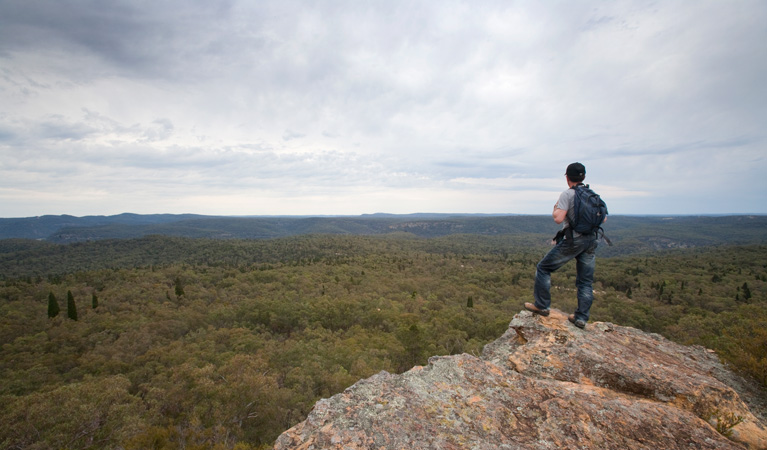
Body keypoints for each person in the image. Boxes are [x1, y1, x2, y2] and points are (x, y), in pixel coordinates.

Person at [524, 162, 603, 329]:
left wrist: (555, 209)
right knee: (585, 282)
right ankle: (581, 318)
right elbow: (603, 218)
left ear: (567, 178)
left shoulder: (568, 194)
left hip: (574, 240)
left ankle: (542, 305)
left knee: (543, 268)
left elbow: (558, 218)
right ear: (584, 177)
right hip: (591, 240)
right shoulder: (593, 195)